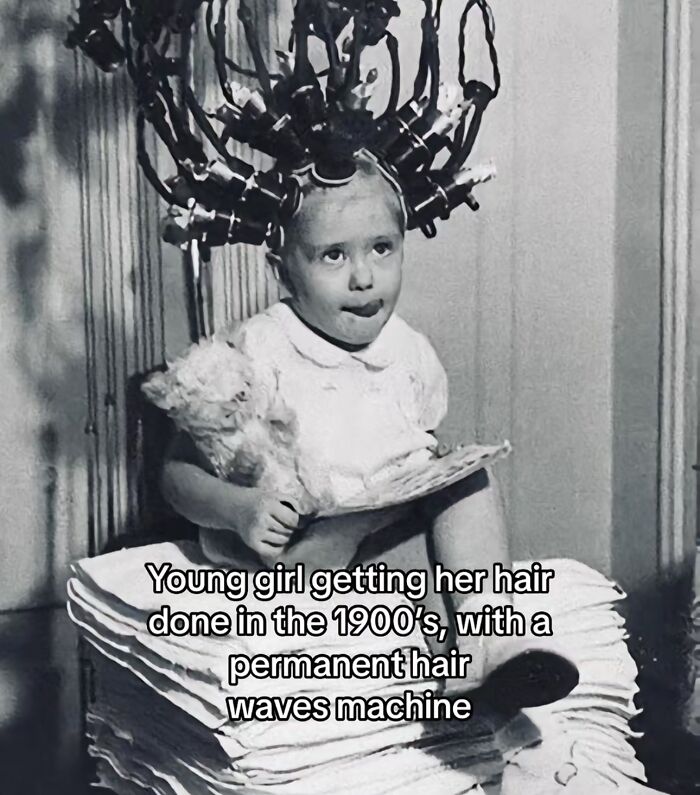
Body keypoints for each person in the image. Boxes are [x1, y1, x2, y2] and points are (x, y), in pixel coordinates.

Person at [160, 153, 578, 711]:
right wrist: (239, 508)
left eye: (382, 248)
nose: (364, 277)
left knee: (469, 487)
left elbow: (417, 457)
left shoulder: (410, 352)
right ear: (282, 268)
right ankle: (466, 677)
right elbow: (175, 474)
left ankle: (488, 654)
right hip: (306, 547)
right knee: (412, 579)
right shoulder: (259, 348)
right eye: (333, 256)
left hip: (380, 529)